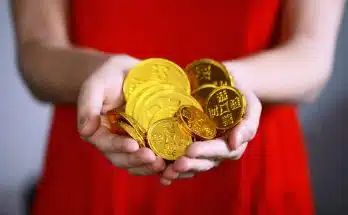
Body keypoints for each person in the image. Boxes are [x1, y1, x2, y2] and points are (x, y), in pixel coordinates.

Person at [11, 0, 345, 214]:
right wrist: (102, 71)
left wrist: (228, 83)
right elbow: (36, 49)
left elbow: (312, 54)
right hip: (101, 144)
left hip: (250, 160)